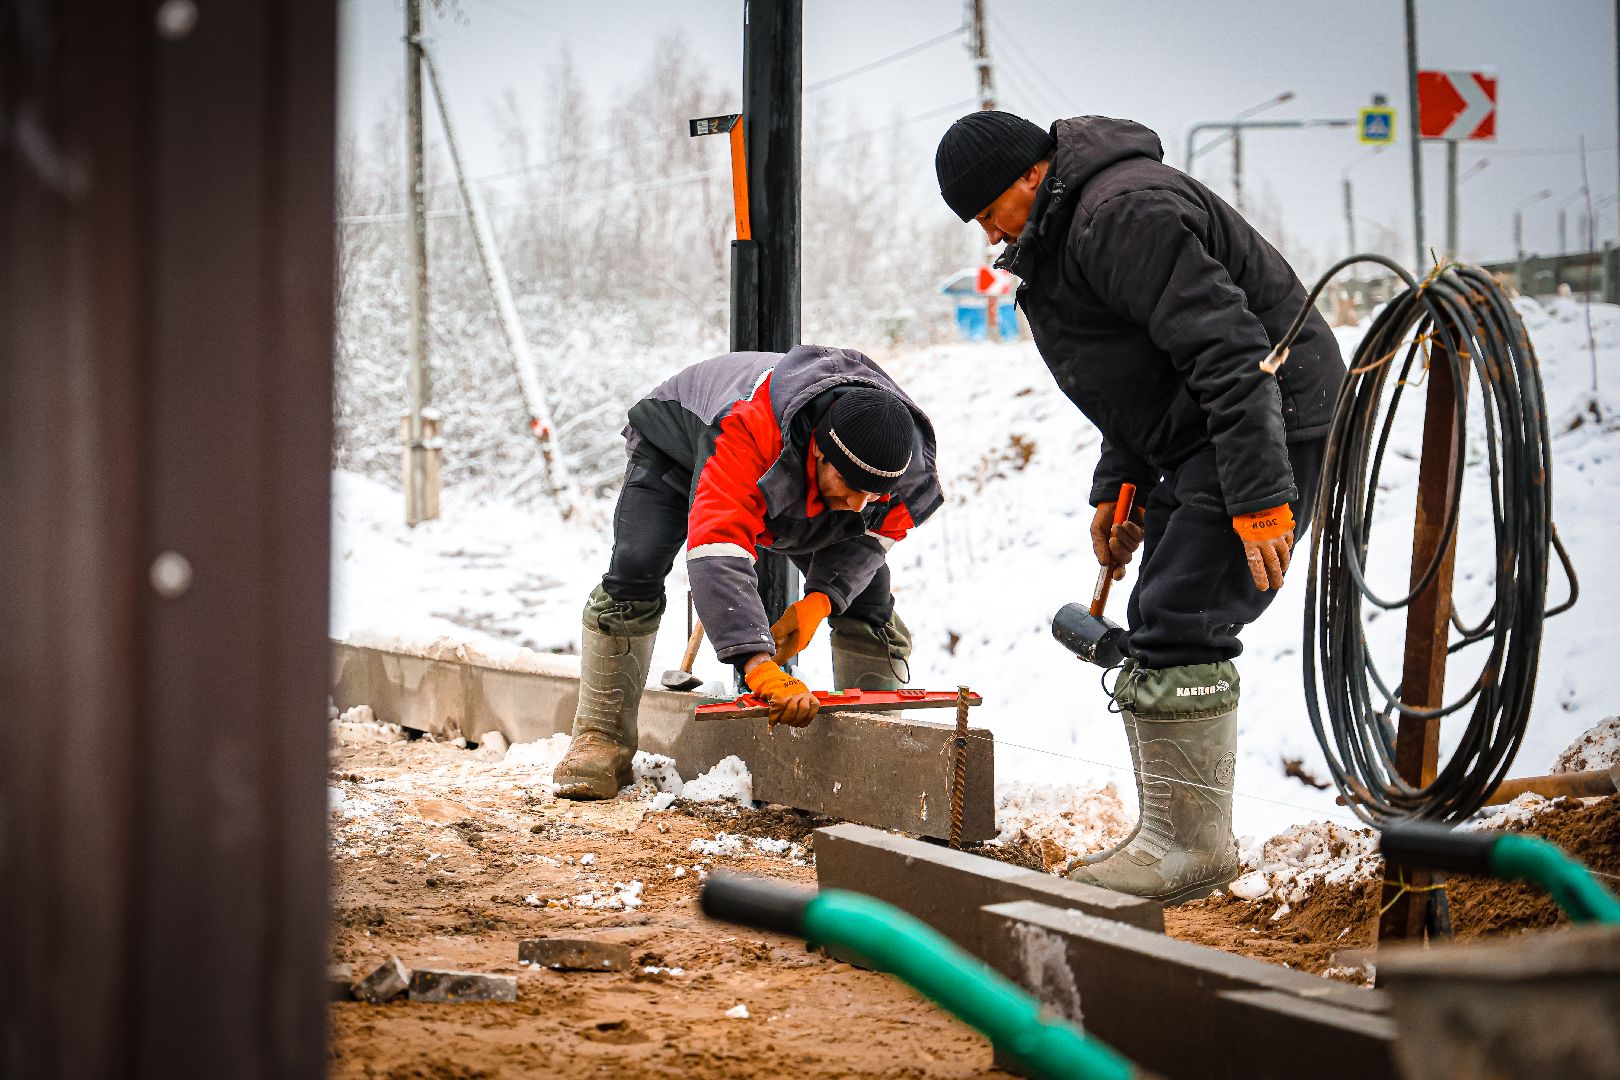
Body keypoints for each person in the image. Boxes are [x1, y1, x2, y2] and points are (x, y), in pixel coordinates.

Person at [934, 111, 1346, 904]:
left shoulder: (1121, 212)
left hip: (1265, 416)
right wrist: (1117, 486)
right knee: (1169, 609)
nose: (987, 233)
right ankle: (1174, 833)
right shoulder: (1071, 229)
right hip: (1208, 424)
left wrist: (1262, 496)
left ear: (1030, 174)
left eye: (988, 211)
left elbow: (1231, 353)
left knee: (1178, 610)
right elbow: (1142, 376)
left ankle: (1189, 847)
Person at [552, 345, 942, 799]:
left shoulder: (903, 469)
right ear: (818, 449)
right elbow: (718, 550)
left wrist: (819, 601)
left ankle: (875, 760)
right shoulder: (747, 433)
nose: (859, 505)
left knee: (868, 605)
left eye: (874, 495)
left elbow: (873, 539)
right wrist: (756, 664)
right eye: (853, 487)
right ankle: (599, 740)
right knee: (635, 570)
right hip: (678, 449)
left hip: (791, 476)